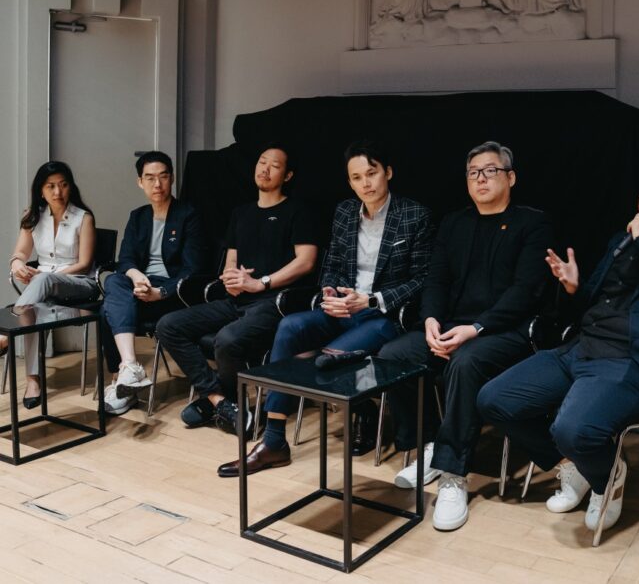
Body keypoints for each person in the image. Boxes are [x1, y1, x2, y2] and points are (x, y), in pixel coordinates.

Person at [478, 154, 639, 532]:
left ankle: (605, 476)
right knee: (494, 400)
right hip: (581, 348)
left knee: (572, 430)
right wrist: (574, 288)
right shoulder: (620, 241)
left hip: (633, 361)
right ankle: (578, 467)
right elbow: (588, 306)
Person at [217, 140, 434, 477]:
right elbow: (330, 265)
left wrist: (372, 300)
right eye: (357, 177)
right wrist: (330, 291)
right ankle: (274, 441)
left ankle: (358, 409)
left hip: (383, 315)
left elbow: (422, 279)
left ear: (388, 173)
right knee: (289, 327)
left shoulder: (413, 215)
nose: (366, 183)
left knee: (331, 357)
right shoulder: (346, 212)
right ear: (350, 182)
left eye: (372, 174)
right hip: (341, 308)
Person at [379, 141, 553, 531]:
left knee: (466, 362)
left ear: (511, 177)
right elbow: (436, 279)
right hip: (452, 327)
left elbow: (526, 291)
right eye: (473, 172)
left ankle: (453, 474)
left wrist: (475, 329)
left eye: (490, 170)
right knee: (394, 354)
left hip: (505, 331)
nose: (480, 179)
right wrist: (431, 321)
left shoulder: (532, 224)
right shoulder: (455, 223)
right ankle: (428, 444)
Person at [157, 144, 318, 434]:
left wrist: (261, 282)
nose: (265, 169)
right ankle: (220, 401)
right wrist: (230, 279)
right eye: (261, 161)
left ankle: (225, 402)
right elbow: (230, 263)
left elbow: (306, 262)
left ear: (288, 175)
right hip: (236, 300)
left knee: (228, 339)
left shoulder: (298, 211)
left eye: (275, 165)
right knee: (168, 325)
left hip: (273, 303)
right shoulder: (241, 212)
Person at [100, 151, 205, 415]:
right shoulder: (138, 216)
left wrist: (161, 292)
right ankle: (129, 369)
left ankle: (122, 379)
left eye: (163, 177)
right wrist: (137, 277)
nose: (157, 185)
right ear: (140, 182)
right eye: (150, 178)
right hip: (140, 285)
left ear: (171, 179)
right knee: (115, 280)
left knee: (106, 310)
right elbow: (124, 260)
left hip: (170, 292)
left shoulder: (189, 214)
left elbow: (193, 269)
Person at [2, 161, 98, 409]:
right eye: (51, 186)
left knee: (42, 280)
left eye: (64, 185)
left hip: (80, 283)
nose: (58, 192)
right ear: (41, 190)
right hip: (43, 288)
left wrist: (49, 276)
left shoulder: (83, 218)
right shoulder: (33, 216)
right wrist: (17, 266)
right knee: (32, 313)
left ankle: (4, 336)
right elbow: (20, 253)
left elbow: (85, 264)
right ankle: (33, 381)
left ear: (71, 187)